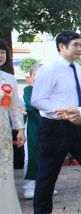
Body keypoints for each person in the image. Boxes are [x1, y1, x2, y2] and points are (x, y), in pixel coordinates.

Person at [30, 31, 81, 214]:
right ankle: (42, 213)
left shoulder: (76, 67)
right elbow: (37, 99)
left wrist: (80, 113)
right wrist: (63, 113)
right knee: (49, 171)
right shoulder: (49, 68)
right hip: (55, 126)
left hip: (77, 125)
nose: (80, 49)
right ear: (62, 46)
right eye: (76, 45)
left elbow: (75, 97)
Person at [0, 40, 26, 214]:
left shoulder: (8, 79)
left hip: (3, 135)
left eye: (3, 52)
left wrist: (20, 129)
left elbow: (15, 107)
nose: (1, 55)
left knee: (4, 178)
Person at [21, 63, 41, 200]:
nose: (38, 77)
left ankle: (43, 185)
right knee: (31, 156)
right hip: (33, 126)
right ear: (31, 77)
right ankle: (29, 186)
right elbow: (31, 105)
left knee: (47, 156)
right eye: (35, 74)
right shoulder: (29, 90)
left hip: (48, 127)